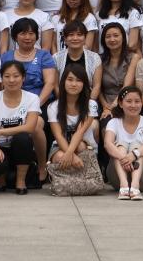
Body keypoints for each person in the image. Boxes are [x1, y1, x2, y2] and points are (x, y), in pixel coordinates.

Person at [45, 66, 107, 196]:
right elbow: (58, 135)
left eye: (79, 80)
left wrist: (70, 154)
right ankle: (69, 183)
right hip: (60, 146)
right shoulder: (53, 106)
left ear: (84, 84)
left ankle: (79, 182)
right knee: (60, 157)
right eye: (70, 79)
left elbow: (80, 132)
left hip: (83, 145)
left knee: (80, 145)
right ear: (63, 82)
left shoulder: (91, 105)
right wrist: (71, 156)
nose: (74, 84)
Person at [104, 86, 143, 200]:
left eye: (137, 101)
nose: (133, 105)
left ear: (142, 103)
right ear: (120, 103)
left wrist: (134, 155)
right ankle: (124, 185)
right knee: (120, 146)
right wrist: (124, 158)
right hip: (117, 179)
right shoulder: (114, 122)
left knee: (137, 146)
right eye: (129, 101)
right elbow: (107, 144)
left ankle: (135, 186)